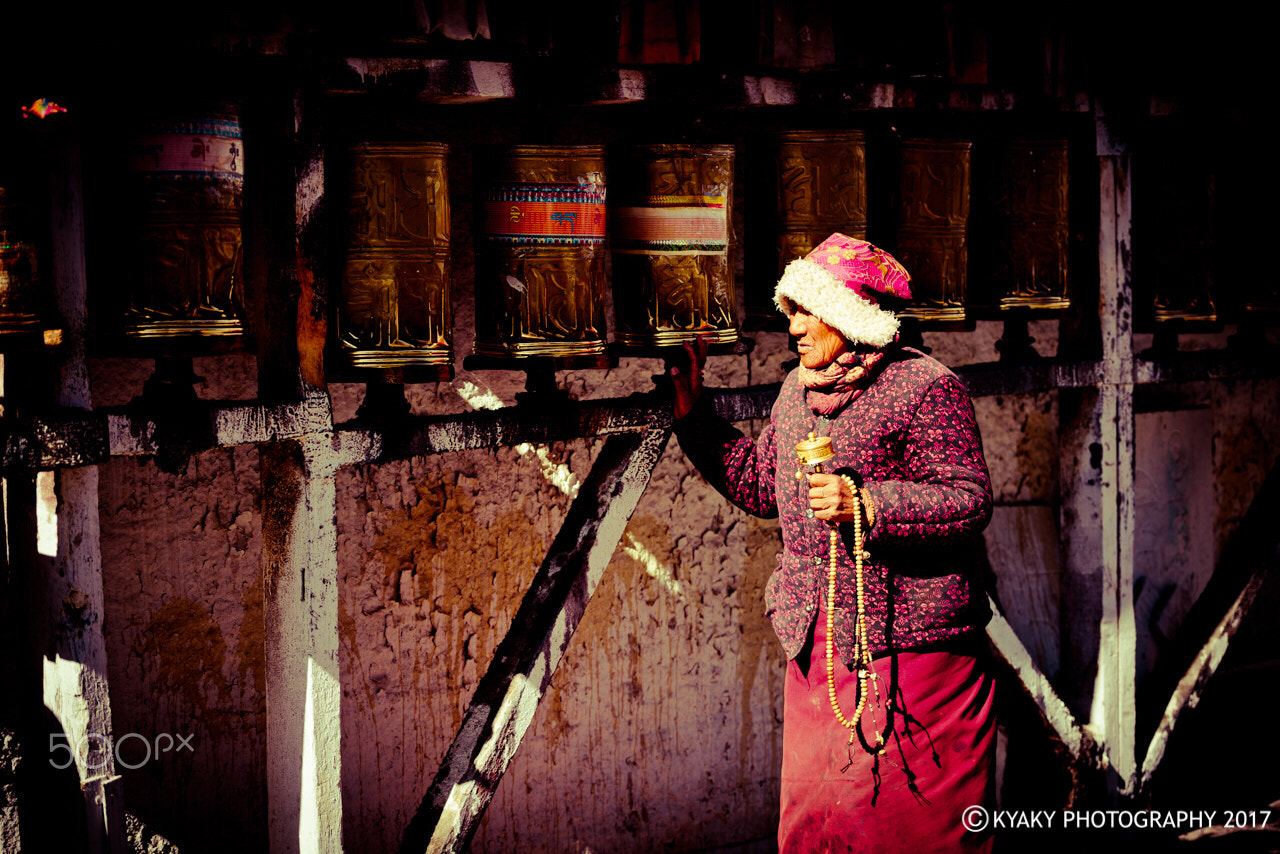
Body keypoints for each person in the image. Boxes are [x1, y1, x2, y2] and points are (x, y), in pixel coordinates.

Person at [669, 233, 996, 853]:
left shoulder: (927, 386)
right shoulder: (797, 389)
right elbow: (763, 484)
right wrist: (693, 410)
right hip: (817, 645)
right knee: (822, 824)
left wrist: (867, 504)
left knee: (918, 831)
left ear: (849, 313)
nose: (791, 325)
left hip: (914, 651)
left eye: (805, 309)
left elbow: (967, 497)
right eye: (788, 309)